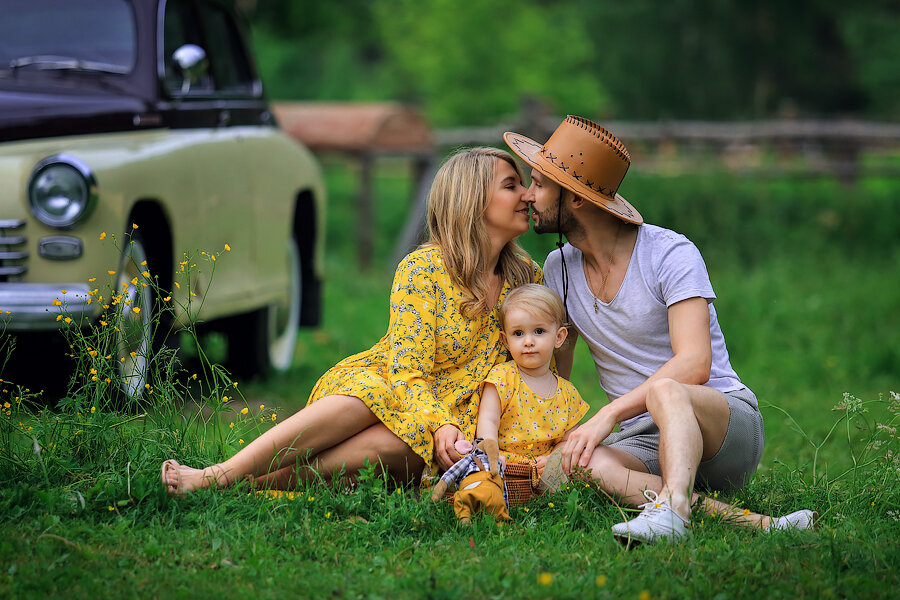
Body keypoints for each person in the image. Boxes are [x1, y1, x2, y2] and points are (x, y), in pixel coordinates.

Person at [504, 116, 816, 543]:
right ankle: (747, 522)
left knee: (665, 390)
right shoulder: (559, 269)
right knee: (579, 465)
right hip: (645, 440)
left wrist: (608, 416)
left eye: (539, 184)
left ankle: (672, 512)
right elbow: (553, 374)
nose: (528, 195)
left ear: (575, 198)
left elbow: (694, 363)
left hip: (721, 426)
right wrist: (548, 445)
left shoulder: (669, 253)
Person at [161, 147, 542, 494]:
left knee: (400, 444)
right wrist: (437, 420)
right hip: (397, 384)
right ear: (472, 200)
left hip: (463, 415)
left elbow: (538, 366)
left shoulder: (526, 278)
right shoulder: (424, 268)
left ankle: (248, 486)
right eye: (512, 186)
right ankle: (221, 474)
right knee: (364, 397)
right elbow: (407, 366)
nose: (527, 195)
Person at [475, 283, 588, 473]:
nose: (528, 341)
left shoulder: (567, 393)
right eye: (518, 334)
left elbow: (569, 439)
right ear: (505, 341)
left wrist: (554, 459)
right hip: (503, 466)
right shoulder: (502, 377)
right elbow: (488, 420)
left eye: (539, 331)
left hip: (543, 471)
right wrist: (491, 456)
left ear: (559, 337)